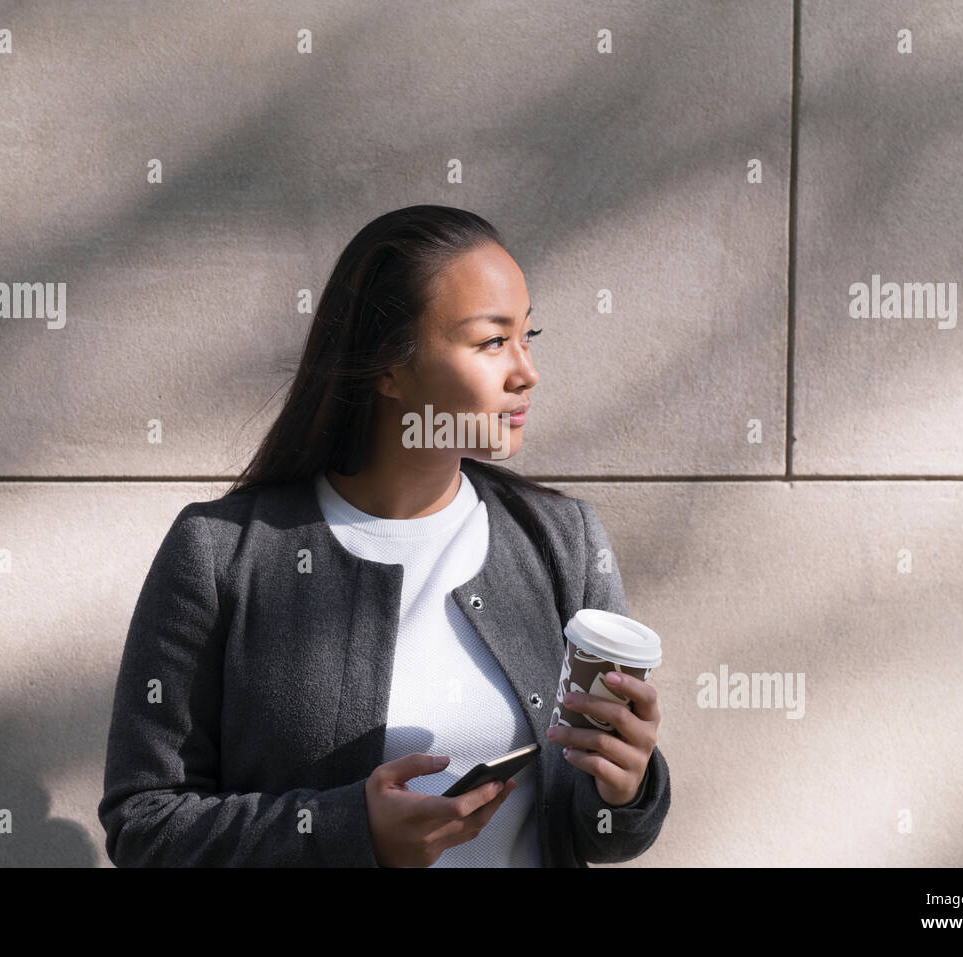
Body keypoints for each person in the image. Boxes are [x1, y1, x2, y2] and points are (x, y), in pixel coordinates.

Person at [98, 205, 671, 867]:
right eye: (491, 341)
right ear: (388, 369)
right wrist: (348, 831)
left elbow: (599, 831)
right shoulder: (221, 552)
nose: (526, 371)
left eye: (528, 334)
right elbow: (144, 824)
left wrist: (625, 788)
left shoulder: (563, 542)